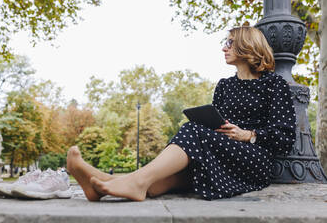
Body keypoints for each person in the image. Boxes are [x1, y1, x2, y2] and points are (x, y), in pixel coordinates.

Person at [66, 26, 296, 201]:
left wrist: (248, 134)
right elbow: (215, 126)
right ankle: (98, 184)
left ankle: (131, 183)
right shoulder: (225, 85)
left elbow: (285, 136)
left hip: (253, 159)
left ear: (248, 46)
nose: (224, 47)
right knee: (164, 180)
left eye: (230, 42)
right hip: (220, 151)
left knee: (190, 130)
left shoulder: (274, 84)